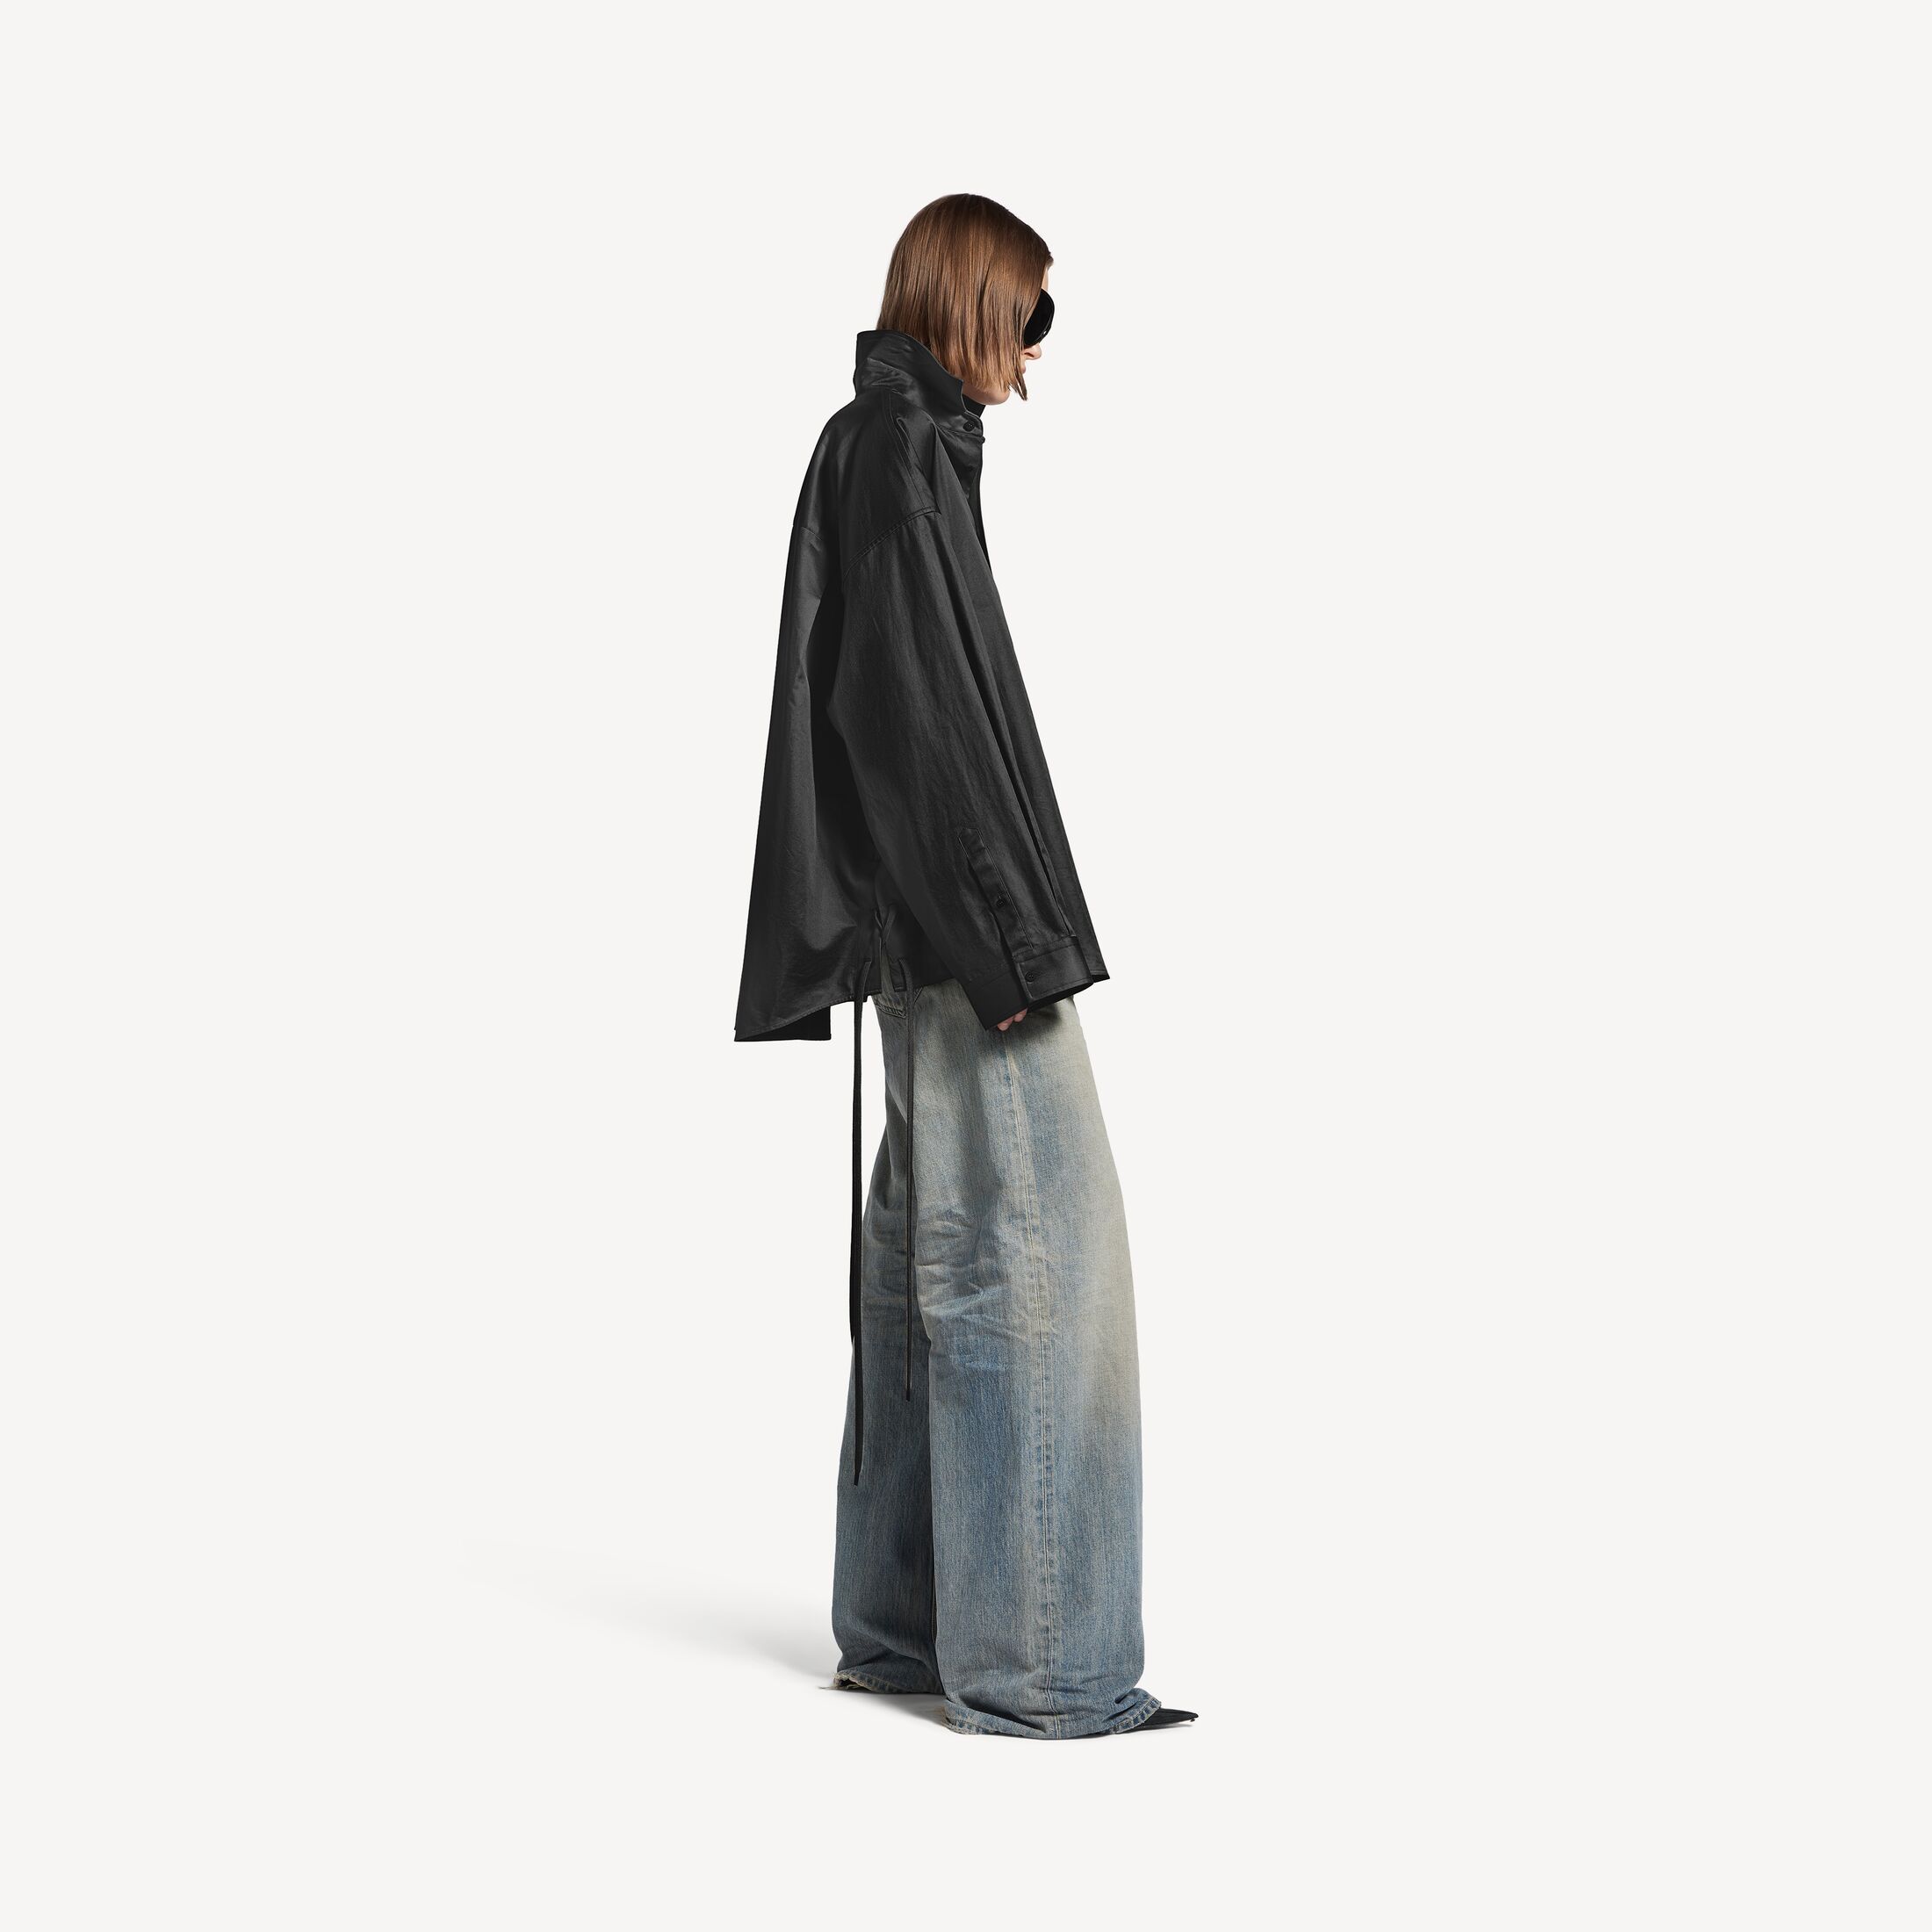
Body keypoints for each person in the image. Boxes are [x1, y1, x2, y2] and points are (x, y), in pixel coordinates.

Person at [733, 194, 1193, 1738]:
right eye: (1030, 317)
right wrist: (1011, 950)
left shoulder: (888, 442)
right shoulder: (899, 453)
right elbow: (912, 722)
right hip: (965, 933)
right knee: (1045, 1262)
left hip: (930, 928)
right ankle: (1047, 1664)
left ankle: (906, 1630)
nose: (1035, 355)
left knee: (930, 1253)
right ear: (976, 299)